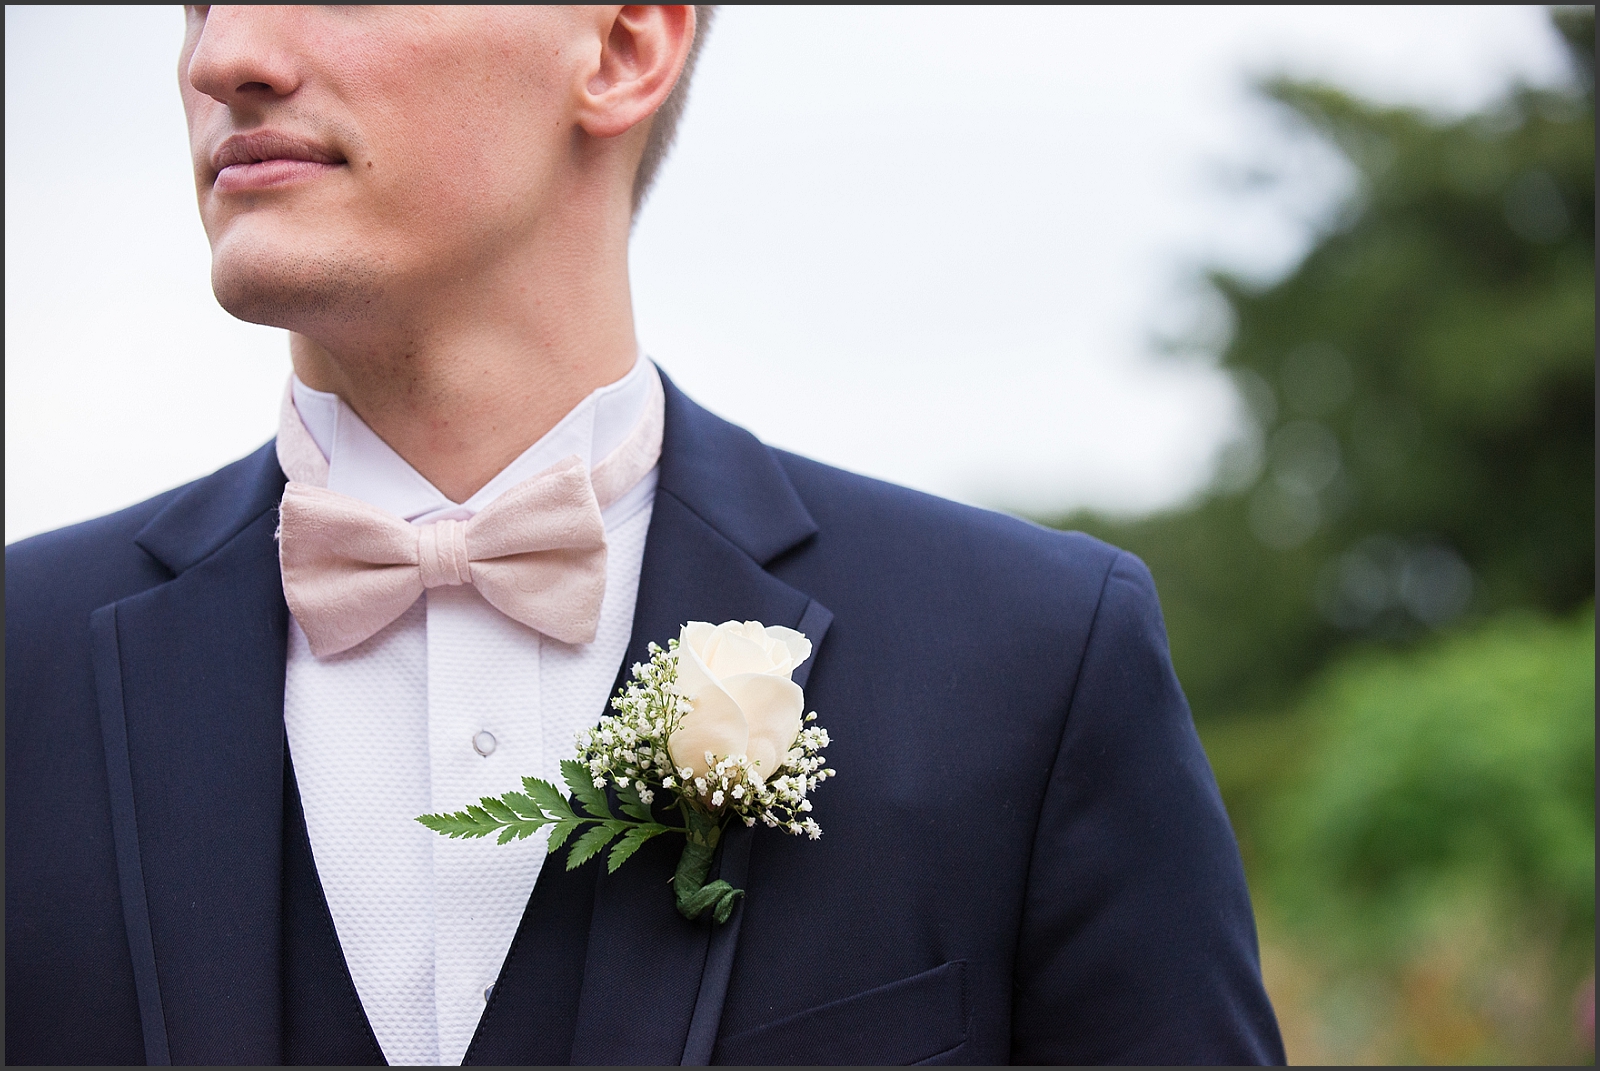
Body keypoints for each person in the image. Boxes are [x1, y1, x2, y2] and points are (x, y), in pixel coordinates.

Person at [4, 6, 1284, 1065]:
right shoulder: (22, 666)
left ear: (620, 48)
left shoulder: (1033, 658)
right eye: (200, 0)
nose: (223, 58)